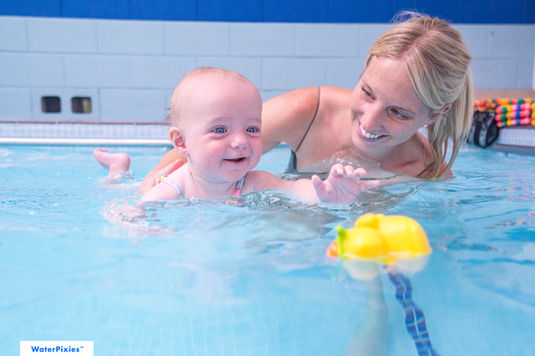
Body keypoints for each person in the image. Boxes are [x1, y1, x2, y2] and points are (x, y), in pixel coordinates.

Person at [131, 67, 378, 204]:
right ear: (181, 142)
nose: (241, 142)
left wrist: (328, 193)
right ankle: (118, 171)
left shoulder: (252, 182)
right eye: (220, 130)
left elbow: (294, 189)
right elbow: (136, 212)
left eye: (252, 129)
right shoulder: (176, 186)